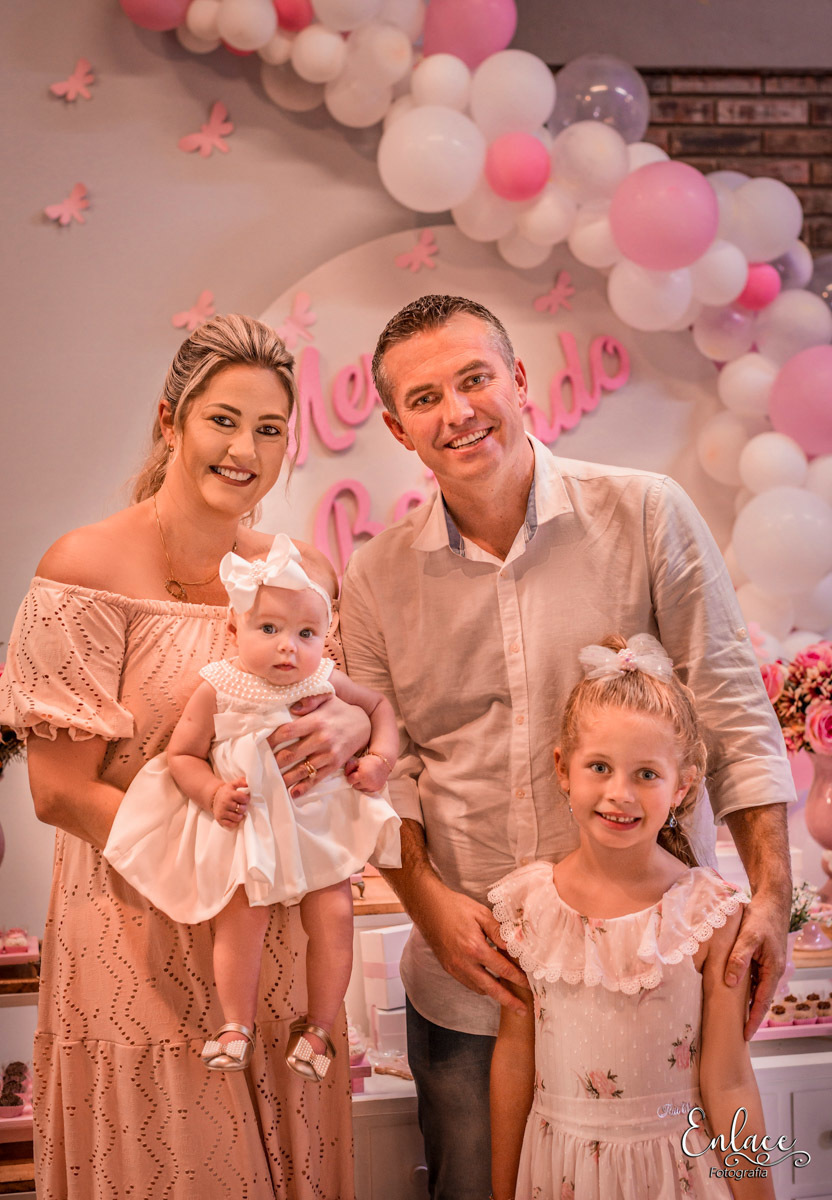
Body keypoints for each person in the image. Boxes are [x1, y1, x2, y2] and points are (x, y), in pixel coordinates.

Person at [338, 295, 794, 1200]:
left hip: (657, 990)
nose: (458, 411)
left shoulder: (647, 513)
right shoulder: (376, 577)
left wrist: (773, 894)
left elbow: (732, 711)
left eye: (475, 379)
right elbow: (379, 778)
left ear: (519, 381)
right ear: (397, 428)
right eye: (425, 398)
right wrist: (426, 902)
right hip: (477, 992)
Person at [0, 314, 368, 1198]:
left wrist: (354, 733)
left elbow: (336, 713)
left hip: (273, 935)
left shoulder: (300, 573)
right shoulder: (84, 567)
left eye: (270, 428)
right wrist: (217, 864)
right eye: (223, 420)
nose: (245, 449)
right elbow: (59, 793)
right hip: (138, 928)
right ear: (171, 420)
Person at [104, 534, 401, 1081]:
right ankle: (235, 1024)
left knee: (336, 918)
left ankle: (320, 1028)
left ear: (325, 635)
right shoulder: (218, 687)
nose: (288, 647)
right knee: (240, 921)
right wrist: (212, 793)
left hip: (317, 825)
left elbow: (381, 707)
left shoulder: (324, 678)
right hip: (253, 832)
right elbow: (182, 755)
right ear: (233, 627)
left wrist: (380, 758)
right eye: (269, 629)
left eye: (306, 633)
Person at [489, 633, 774, 1200]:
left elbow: (729, 1081)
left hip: (678, 1173)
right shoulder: (526, 908)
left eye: (646, 774)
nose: (620, 793)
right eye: (599, 766)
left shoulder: (710, 915)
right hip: (560, 1173)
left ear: (682, 786)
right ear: (563, 768)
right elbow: (514, 1061)